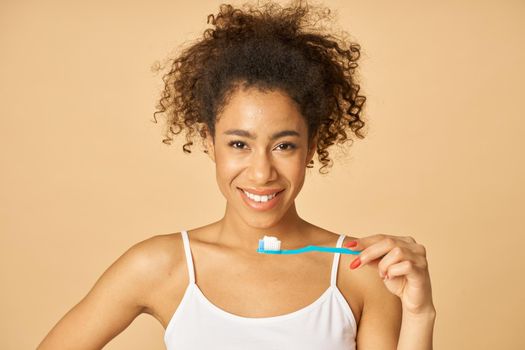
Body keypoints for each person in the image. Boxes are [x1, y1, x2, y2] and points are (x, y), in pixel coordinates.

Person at [37, 0, 435, 349]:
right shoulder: (162, 265)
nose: (261, 173)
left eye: (284, 145)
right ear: (208, 142)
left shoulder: (357, 271)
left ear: (311, 147)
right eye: (239, 144)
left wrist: (420, 314)